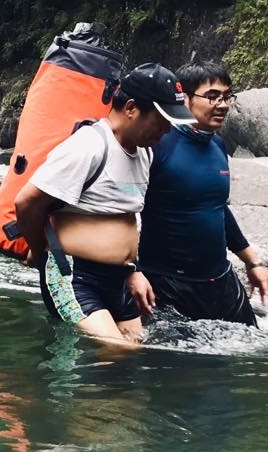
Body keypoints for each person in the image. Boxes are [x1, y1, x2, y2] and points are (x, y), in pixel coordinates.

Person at [14, 64, 196, 345]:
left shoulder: (144, 154)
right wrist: (42, 254)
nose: (166, 131)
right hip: (73, 275)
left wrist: (133, 271)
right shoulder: (89, 146)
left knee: (134, 355)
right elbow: (27, 202)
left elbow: (129, 218)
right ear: (132, 108)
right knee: (119, 350)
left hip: (117, 279)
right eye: (161, 121)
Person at [129, 61, 268, 326]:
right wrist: (131, 271)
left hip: (221, 281)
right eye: (212, 96)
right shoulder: (158, 144)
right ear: (184, 98)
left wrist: (253, 262)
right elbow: (123, 209)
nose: (222, 105)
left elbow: (217, 208)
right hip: (168, 284)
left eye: (226, 97)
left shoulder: (218, 146)